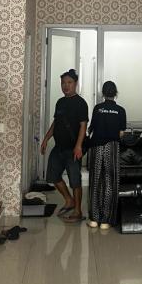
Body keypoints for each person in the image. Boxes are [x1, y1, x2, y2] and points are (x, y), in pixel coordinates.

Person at [40, 69, 88, 223]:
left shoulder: (81, 103)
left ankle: (78, 211)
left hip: (73, 148)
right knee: (52, 176)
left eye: (69, 82)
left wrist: (78, 146)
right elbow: (56, 123)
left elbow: (83, 126)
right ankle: (69, 200)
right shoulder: (60, 102)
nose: (66, 86)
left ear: (75, 84)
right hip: (59, 147)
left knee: (75, 180)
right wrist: (46, 139)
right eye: (63, 83)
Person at [87, 80, 126, 229]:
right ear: (116, 93)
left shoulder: (97, 108)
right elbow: (121, 133)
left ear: (103, 93)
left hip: (96, 146)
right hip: (112, 146)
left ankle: (94, 219)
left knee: (95, 181)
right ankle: (106, 221)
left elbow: (91, 129)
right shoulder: (120, 110)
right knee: (110, 182)